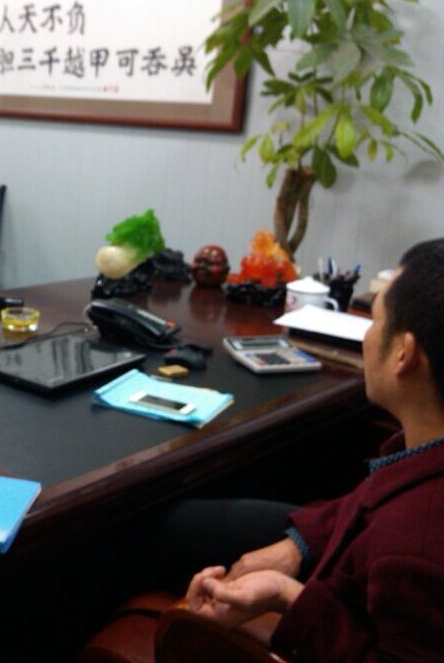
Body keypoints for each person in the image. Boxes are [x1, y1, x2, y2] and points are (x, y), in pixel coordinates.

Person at [184, 238, 444, 661]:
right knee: (184, 522)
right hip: (337, 551)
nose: (367, 335)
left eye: (374, 321)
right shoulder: (422, 450)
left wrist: (287, 596)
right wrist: (296, 547)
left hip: (328, 610)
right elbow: (371, 503)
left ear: (404, 354)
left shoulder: (418, 549)